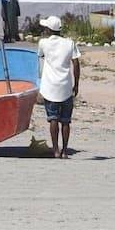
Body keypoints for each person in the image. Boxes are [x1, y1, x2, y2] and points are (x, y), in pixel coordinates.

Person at [37, 15, 81, 159]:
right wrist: (77, 84)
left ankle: (55, 150)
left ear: (49, 29)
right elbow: (76, 64)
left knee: (53, 118)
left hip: (50, 86)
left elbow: (41, 57)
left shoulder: (43, 43)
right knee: (66, 121)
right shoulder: (69, 43)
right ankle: (64, 150)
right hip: (66, 86)